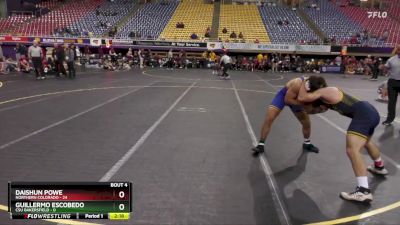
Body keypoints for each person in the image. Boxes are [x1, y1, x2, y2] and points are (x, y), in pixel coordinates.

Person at [297, 76, 388, 203]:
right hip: (370, 113)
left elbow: (302, 97)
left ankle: (363, 191)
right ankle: (379, 166)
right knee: (366, 142)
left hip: (364, 114)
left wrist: (302, 80)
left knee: (352, 150)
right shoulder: (325, 98)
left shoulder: (327, 90)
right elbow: (311, 110)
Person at [252, 76, 325, 155]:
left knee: (306, 122)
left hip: (299, 99)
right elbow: (287, 100)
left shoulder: (320, 87)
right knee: (269, 118)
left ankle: (307, 143)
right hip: (285, 96)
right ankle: (261, 145)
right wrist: (303, 103)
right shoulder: (298, 83)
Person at [382, 45, 400, 126]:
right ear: (397, 51)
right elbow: (385, 69)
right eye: (399, 50)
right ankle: (389, 119)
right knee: (391, 103)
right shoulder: (391, 59)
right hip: (393, 82)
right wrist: (383, 68)